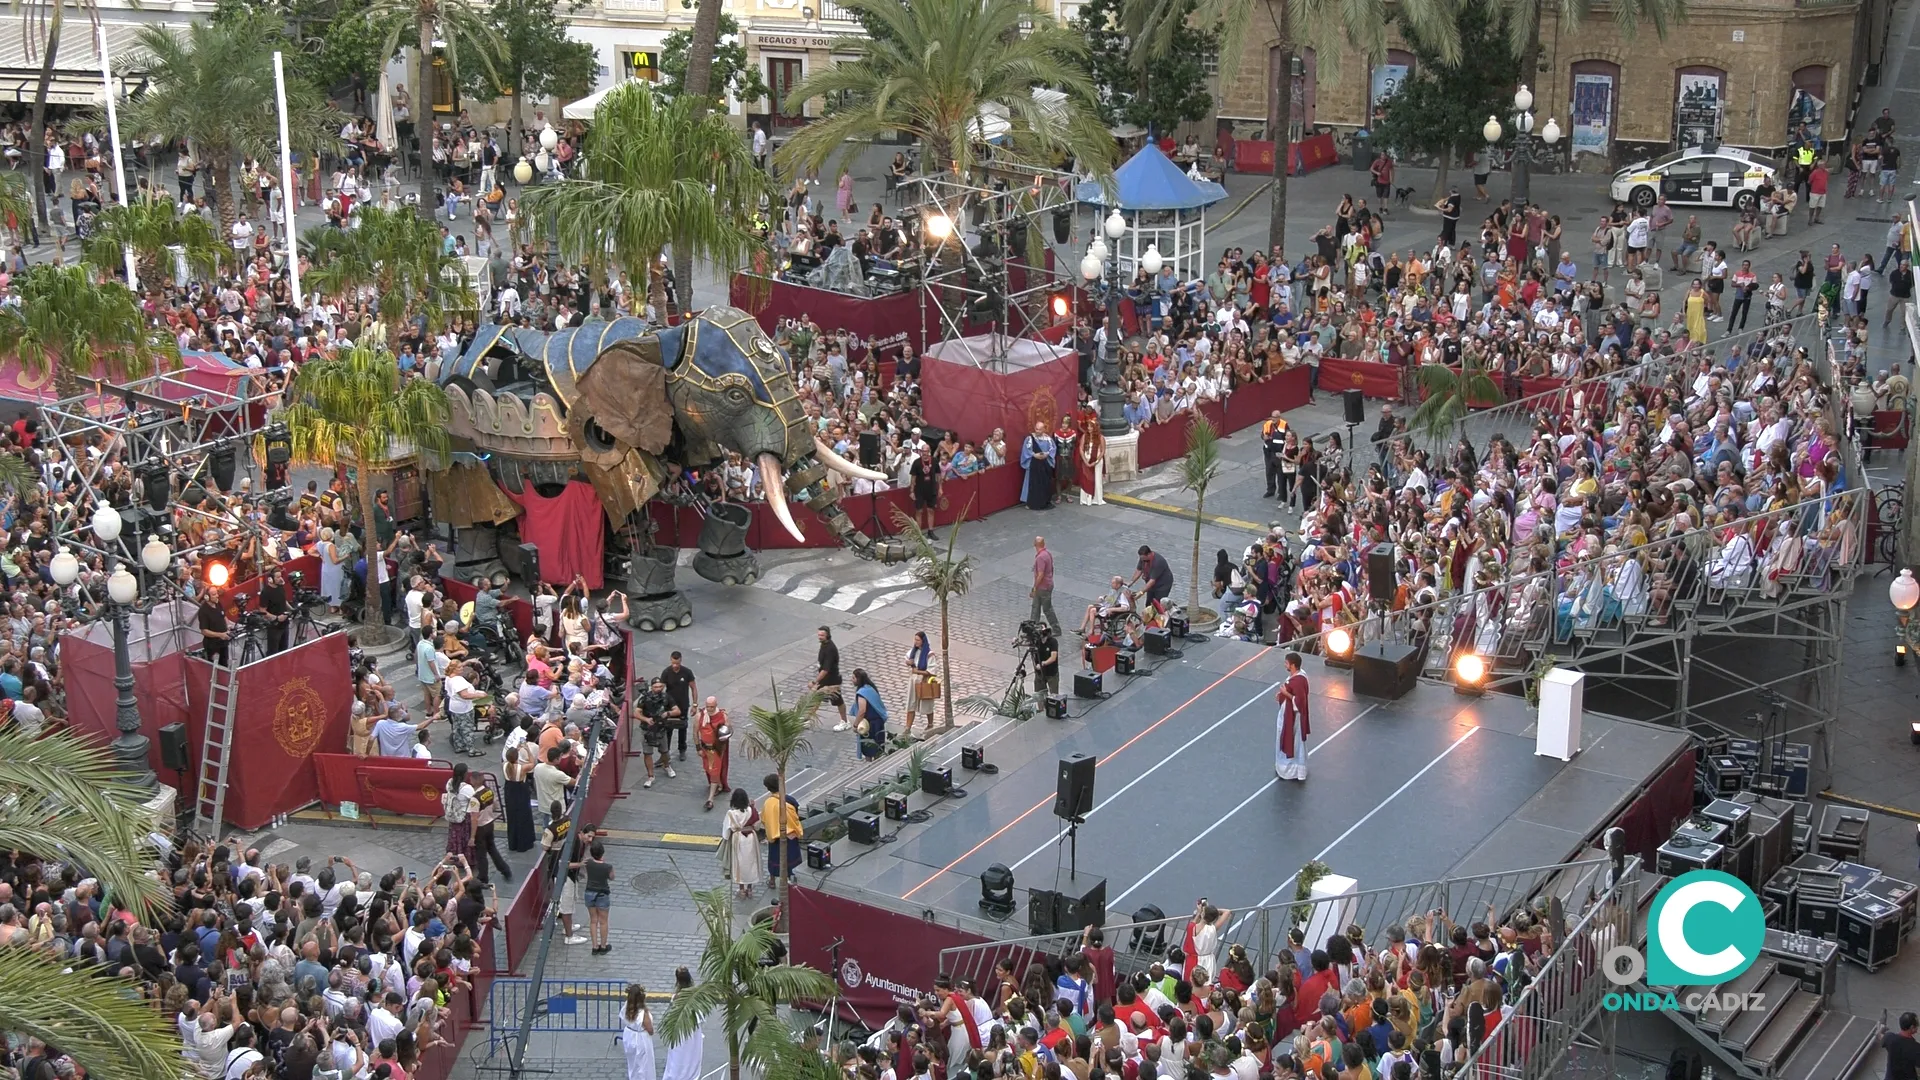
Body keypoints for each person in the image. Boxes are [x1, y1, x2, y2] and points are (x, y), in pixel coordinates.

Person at [661, 967, 704, 1080]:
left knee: (678, 1055)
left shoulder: (676, 997)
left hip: (680, 1029)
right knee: (692, 1054)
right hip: (692, 1030)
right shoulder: (695, 994)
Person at [1275, 651, 1310, 781]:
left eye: (1287, 663)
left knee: (1293, 742)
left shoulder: (1299, 681)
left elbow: (1299, 701)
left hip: (1294, 718)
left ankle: (1292, 770)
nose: (1285, 665)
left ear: (1293, 665)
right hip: (1287, 713)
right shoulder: (1298, 676)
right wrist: (1281, 695)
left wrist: (1285, 693)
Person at [762, 773, 804, 883]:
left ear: (768, 788)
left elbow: (764, 819)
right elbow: (795, 817)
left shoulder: (768, 803)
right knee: (791, 860)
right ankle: (791, 879)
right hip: (790, 836)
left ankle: (772, 880)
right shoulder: (790, 800)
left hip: (775, 837)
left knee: (775, 859)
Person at [724, 788, 763, 899]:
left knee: (740, 863)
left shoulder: (731, 813)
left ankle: (742, 890)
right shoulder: (751, 811)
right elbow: (757, 825)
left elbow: (726, 830)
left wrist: (727, 838)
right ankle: (750, 889)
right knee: (751, 862)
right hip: (751, 837)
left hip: (738, 838)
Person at [575, 839, 614, 954]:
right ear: (603, 852)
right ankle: (603, 946)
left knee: (593, 921)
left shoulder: (588, 863)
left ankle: (594, 946)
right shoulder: (608, 867)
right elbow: (612, 877)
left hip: (589, 893)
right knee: (603, 921)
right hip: (602, 894)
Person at [696, 696, 730, 811]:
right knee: (707, 768)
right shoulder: (700, 716)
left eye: (712, 707)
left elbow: (728, 730)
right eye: (708, 706)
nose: (709, 709)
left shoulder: (722, 716)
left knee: (714, 771)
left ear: (716, 705)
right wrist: (698, 748)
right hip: (705, 749)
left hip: (716, 749)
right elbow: (695, 733)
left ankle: (710, 799)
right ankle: (719, 785)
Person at [659, 652, 696, 760]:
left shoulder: (687, 672)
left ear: (681, 660)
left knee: (682, 728)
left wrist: (695, 704)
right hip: (670, 706)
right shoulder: (666, 672)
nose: (675, 665)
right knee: (668, 729)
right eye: (673, 663)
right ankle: (666, 752)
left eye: (677, 663)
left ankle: (682, 750)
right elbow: (661, 688)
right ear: (671, 660)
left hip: (683, 704)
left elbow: (693, 688)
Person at [813, 626, 848, 731]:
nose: (820, 637)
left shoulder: (830, 649)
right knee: (815, 699)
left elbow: (825, 669)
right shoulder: (824, 645)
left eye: (822, 635)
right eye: (819, 635)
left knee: (838, 701)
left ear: (827, 635)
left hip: (832, 681)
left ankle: (845, 722)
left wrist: (815, 681)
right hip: (825, 680)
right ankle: (808, 718)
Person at [904, 629, 936, 739]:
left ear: (923, 641)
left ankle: (930, 724)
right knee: (911, 703)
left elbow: (931, 671)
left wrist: (918, 671)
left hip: (924, 680)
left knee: (926, 703)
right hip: (913, 680)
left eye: (918, 640)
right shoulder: (914, 651)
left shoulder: (929, 654)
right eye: (915, 639)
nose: (916, 642)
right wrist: (909, 663)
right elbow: (907, 659)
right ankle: (907, 727)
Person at [441, 763, 476, 862]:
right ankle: (467, 859)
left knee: (456, 838)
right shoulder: (467, 789)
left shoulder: (449, 783)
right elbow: (475, 800)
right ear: (465, 774)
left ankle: (454, 856)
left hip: (454, 816)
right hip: (464, 817)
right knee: (465, 839)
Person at [621, 984, 657, 1080]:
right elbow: (650, 1030)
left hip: (629, 1036)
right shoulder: (643, 1013)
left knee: (633, 1064)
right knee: (643, 1066)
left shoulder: (626, 1006)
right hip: (640, 1040)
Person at [1020, 422, 1058, 510]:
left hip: (1044, 465)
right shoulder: (1029, 438)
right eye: (1036, 429)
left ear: (1044, 429)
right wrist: (1034, 455)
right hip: (1033, 464)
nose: (1037, 431)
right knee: (1032, 483)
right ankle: (1030, 502)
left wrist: (1047, 454)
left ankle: (1044, 500)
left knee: (1044, 483)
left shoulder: (1048, 439)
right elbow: (1026, 450)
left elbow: (1053, 449)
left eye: (1040, 429)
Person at [851, 668, 888, 758]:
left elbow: (862, 711)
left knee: (869, 750)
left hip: (869, 725)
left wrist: (855, 725)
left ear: (858, 679)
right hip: (878, 722)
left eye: (853, 678)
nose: (851, 680)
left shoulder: (862, 693)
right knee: (878, 748)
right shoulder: (871, 688)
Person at [1031, 535, 1062, 633]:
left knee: (1046, 609)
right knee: (1036, 607)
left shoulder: (1040, 557)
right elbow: (1051, 569)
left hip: (1042, 587)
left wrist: (1034, 587)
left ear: (1035, 544)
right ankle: (1033, 627)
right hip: (1047, 585)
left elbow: (1040, 574)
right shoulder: (1047, 554)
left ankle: (1056, 629)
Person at [198, 587, 232, 667]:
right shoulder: (203, 611)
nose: (217, 596)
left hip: (223, 643)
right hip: (212, 646)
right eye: (214, 594)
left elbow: (223, 616)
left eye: (217, 593)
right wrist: (221, 635)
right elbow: (204, 631)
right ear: (207, 597)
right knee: (216, 668)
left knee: (225, 665)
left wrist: (229, 625)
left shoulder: (218, 603)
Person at [1077, 421, 1106, 506]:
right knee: (1086, 478)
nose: (1089, 428)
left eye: (1091, 427)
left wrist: (1096, 462)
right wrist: (1085, 461)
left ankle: (1096, 499)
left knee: (1097, 479)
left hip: (1097, 462)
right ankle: (1086, 499)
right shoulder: (1084, 436)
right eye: (1088, 426)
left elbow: (1102, 451)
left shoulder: (1101, 437)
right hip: (1086, 460)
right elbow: (1081, 449)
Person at [1884, 1011, 1920, 1080]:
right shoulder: (1915, 1048)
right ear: (1912, 1027)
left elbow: (1881, 1036)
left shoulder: (1889, 1038)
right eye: (1917, 1025)